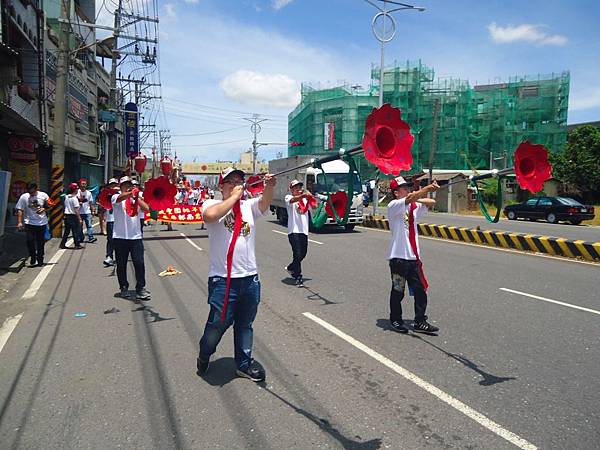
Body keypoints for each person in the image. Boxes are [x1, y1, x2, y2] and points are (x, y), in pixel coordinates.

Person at [197, 167, 276, 382]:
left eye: (240, 180)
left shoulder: (248, 206)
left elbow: (264, 202)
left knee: (244, 324)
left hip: (250, 279)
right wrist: (233, 197)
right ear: (221, 186)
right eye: (230, 181)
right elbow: (211, 216)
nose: (237, 183)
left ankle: (243, 364)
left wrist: (269, 186)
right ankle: (205, 353)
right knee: (217, 326)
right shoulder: (211, 204)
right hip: (223, 280)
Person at [387, 176, 440, 334]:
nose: (408, 190)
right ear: (396, 193)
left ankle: (420, 321)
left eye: (408, 188)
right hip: (398, 257)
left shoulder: (413, 207)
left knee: (420, 290)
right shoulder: (394, 206)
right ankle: (395, 319)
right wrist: (425, 190)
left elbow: (432, 203)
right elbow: (410, 198)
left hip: (413, 258)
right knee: (398, 290)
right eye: (404, 188)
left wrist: (421, 195)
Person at [111, 176, 151, 300]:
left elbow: (147, 208)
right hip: (120, 237)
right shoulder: (116, 197)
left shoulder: (136, 199)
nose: (128, 186)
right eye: (125, 185)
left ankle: (140, 288)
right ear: (121, 186)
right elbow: (119, 198)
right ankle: (123, 287)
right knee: (121, 264)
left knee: (139, 263)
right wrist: (129, 194)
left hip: (136, 237)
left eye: (130, 185)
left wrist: (136, 197)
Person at [285, 179, 314, 287]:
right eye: (295, 188)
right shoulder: (288, 198)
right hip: (293, 230)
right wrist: (303, 196)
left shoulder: (305, 200)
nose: (298, 189)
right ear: (291, 189)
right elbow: (293, 200)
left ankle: (291, 267)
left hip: (304, 230)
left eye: (299, 187)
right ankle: (298, 276)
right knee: (297, 253)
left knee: (303, 253)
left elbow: (314, 206)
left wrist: (311, 197)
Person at [16, 182, 51, 267]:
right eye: (29, 191)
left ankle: (40, 260)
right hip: (29, 223)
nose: (30, 193)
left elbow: (50, 204)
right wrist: (20, 222)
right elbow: (20, 209)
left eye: (32, 191)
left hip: (41, 223)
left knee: (41, 242)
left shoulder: (44, 195)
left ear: (36, 189)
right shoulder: (24, 197)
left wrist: (44, 209)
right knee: (30, 241)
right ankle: (32, 256)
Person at [60, 183, 84, 249]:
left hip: (67, 216)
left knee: (67, 231)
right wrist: (79, 218)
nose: (77, 190)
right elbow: (76, 210)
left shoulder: (66, 197)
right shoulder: (74, 198)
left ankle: (62, 244)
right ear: (75, 190)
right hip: (73, 216)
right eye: (77, 189)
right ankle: (77, 244)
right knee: (75, 231)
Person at [103, 178, 119, 267]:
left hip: (120, 221)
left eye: (115, 184)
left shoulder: (121, 194)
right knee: (110, 240)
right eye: (111, 184)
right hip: (110, 220)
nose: (113, 186)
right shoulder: (105, 194)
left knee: (119, 240)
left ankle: (119, 256)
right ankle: (109, 256)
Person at [77, 178, 97, 243]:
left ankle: (91, 237)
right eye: (82, 183)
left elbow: (90, 203)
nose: (84, 185)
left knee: (89, 225)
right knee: (79, 226)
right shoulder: (77, 192)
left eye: (85, 184)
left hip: (87, 212)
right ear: (79, 184)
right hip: (79, 212)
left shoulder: (88, 193)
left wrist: (93, 210)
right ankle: (81, 238)